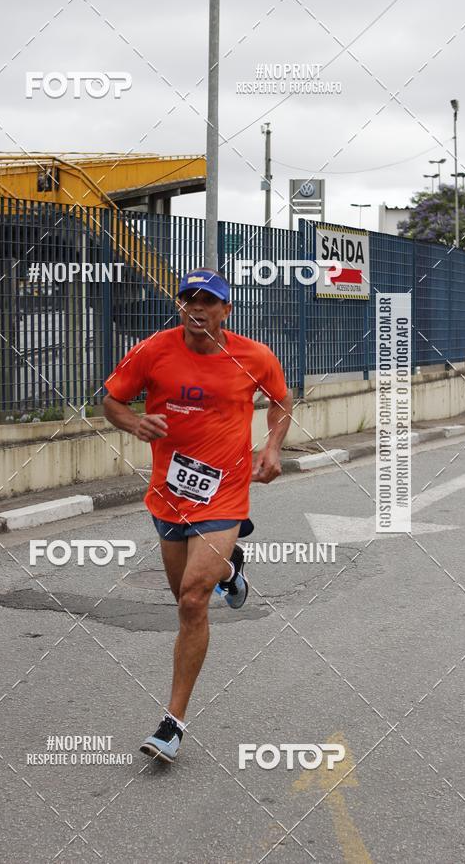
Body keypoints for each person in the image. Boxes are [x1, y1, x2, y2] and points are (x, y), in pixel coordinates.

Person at [102, 268, 292, 762]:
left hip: (224, 494)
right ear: (180, 305)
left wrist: (271, 445)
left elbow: (280, 401)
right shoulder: (154, 351)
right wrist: (135, 422)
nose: (197, 308)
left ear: (226, 310)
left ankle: (172, 722)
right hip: (168, 495)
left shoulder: (254, 356)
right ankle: (233, 569)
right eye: (189, 299)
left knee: (191, 600)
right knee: (182, 595)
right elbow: (112, 401)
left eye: (209, 300)